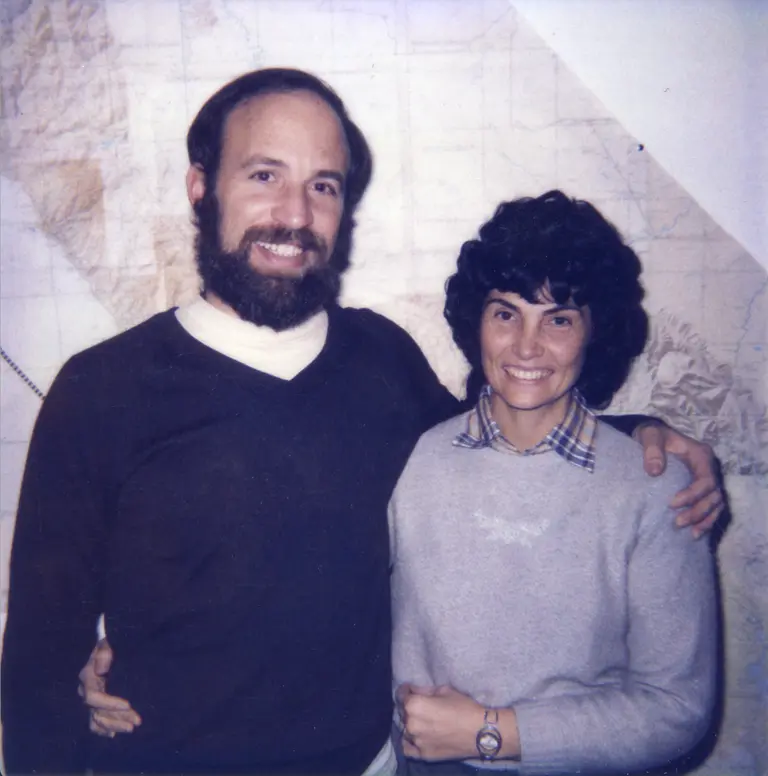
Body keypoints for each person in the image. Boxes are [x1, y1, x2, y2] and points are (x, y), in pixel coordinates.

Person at [1, 69, 720, 775]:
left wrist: (642, 430)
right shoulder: (101, 390)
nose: (294, 213)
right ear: (201, 186)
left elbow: (504, 438)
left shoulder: (382, 360)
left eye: (323, 185)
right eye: (263, 176)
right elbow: (38, 658)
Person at [390, 191, 716, 775]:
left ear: (595, 335)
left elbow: (678, 707)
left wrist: (492, 734)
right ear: (477, 321)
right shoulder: (417, 458)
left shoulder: (654, 486)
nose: (526, 346)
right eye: (506, 313)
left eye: (559, 319)